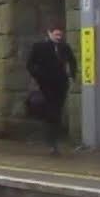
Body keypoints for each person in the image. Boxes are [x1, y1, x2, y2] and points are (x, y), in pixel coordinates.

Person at [27, 26, 77, 154]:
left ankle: (54, 139)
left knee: (57, 111)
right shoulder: (39, 47)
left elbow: (72, 61)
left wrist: (72, 74)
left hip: (60, 84)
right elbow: (30, 64)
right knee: (50, 111)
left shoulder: (64, 47)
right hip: (45, 84)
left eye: (60, 35)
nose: (58, 37)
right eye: (56, 35)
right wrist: (38, 76)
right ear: (49, 33)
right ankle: (51, 140)